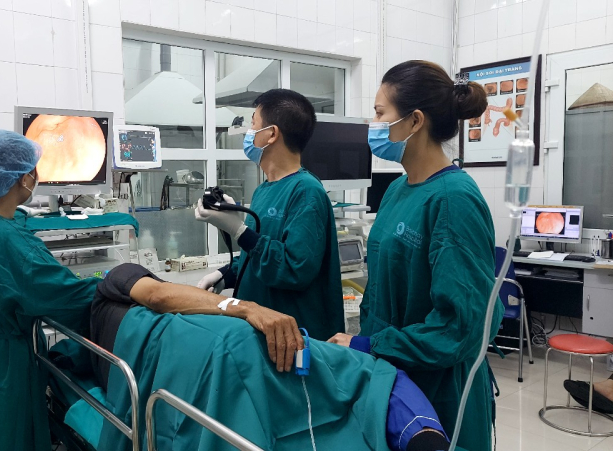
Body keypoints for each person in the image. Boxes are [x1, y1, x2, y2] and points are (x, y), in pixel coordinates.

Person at [84, 263, 452, 451]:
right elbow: (159, 295)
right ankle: (415, 428)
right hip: (219, 346)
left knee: (300, 380)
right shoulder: (114, 281)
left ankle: (416, 432)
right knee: (350, 372)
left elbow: (163, 297)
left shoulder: (101, 351)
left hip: (209, 349)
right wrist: (243, 306)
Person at [327, 61, 504, 451]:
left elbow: (462, 327)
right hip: (390, 376)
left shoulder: (454, 199)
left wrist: (370, 345)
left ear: (415, 121)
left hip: (437, 390)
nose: (372, 125)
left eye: (379, 114)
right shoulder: (398, 190)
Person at [0, 130, 101, 451]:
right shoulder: (7, 241)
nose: (36, 177)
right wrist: (118, 285)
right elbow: (66, 297)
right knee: (5, 439)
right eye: (33, 170)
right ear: (23, 178)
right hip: (1, 370)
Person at [195, 88, 343, 340]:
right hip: (261, 331)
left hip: (293, 337)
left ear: (272, 133)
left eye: (253, 124)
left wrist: (239, 230)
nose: (248, 132)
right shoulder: (264, 190)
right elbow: (258, 253)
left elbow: (294, 269)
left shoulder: (306, 192)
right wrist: (225, 274)